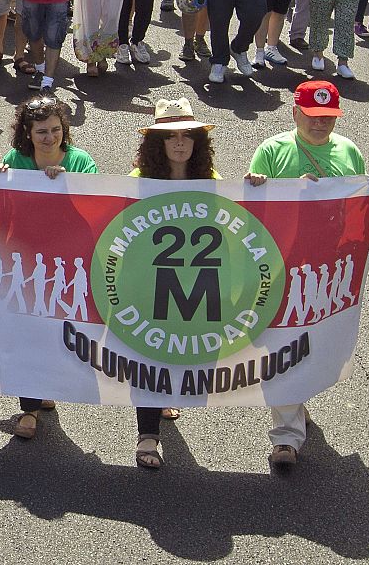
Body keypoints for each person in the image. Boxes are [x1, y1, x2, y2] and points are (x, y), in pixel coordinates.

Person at [245, 80, 367, 470]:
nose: (320, 124)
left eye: (328, 117)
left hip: (327, 269)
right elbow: (249, 211)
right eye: (313, 117)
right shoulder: (272, 151)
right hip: (281, 265)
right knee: (281, 345)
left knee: (314, 344)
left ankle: (297, 401)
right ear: (294, 112)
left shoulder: (349, 151)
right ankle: (286, 438)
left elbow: (359, 210)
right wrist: (264, 189)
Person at [0, 94, 94, 438]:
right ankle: (29, 410)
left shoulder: (81, 161)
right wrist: (0, 180)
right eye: (41, 132)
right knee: (26, 330)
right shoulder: (15, 159)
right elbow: (1, 208)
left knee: (57, 329)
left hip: (66, 260)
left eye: (55, 130)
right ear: (27, 134)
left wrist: (68, 183)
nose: (49, 138)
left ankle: (48, 388)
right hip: (26, 258)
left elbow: (95, 208)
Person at [127, 97, 218, 467]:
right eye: (170, 137)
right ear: (156, 143)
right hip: (150, 284)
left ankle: (167, 396)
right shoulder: (138, 181)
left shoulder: (212, 181)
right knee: (147, 355)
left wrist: (255, 188)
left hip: (194, 285)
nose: (179, 143)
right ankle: (147, 436)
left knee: (179, 349)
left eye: (187, 135)